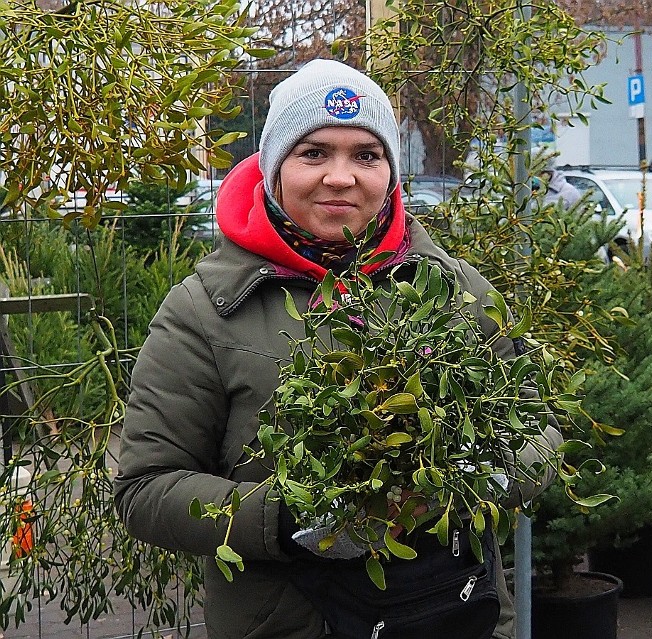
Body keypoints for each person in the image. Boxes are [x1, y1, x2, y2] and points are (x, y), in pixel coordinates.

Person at [113, 59, 562, 639]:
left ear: (390, 173)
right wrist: (291, 520)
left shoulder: (451, 289)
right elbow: (147, 490)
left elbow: (540, 421)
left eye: (365, 156)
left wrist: (489, 478)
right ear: (274, 169)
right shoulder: (205, 311)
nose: (340, 177)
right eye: (314, 153)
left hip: (452, 612)